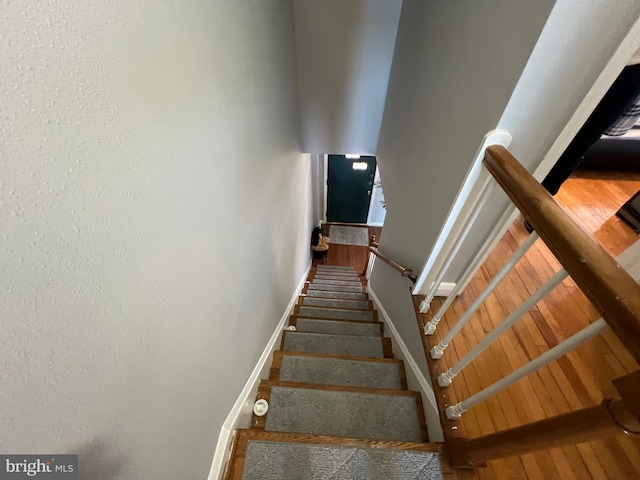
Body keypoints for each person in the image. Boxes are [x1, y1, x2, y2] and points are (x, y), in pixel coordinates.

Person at [526, 50, 640, 232]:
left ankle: (541, 201)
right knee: (539, 123)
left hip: (630, 69)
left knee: (579, 144)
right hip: (585, 52)